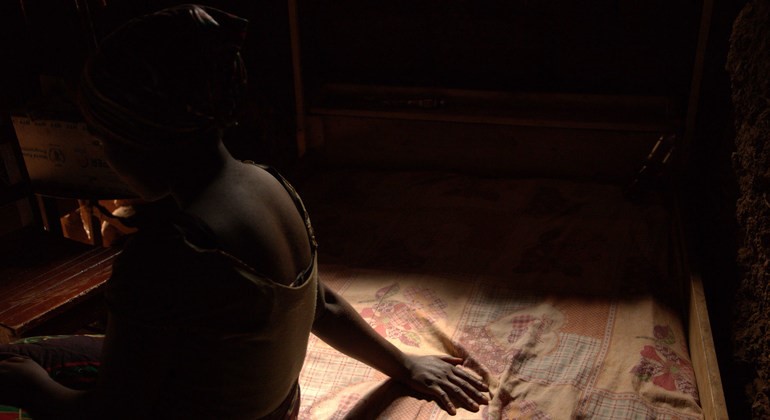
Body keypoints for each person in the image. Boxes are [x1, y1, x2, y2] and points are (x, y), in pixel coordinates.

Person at [0, 4, 489, 419]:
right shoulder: (271, 185)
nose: (105, 155)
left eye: (104, 138)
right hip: (274, 408)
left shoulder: (167, 252)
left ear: (141, 137)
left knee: (17, 366)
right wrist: (403, 364)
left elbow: (114, 413)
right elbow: (325, 305)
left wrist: (32, 388)